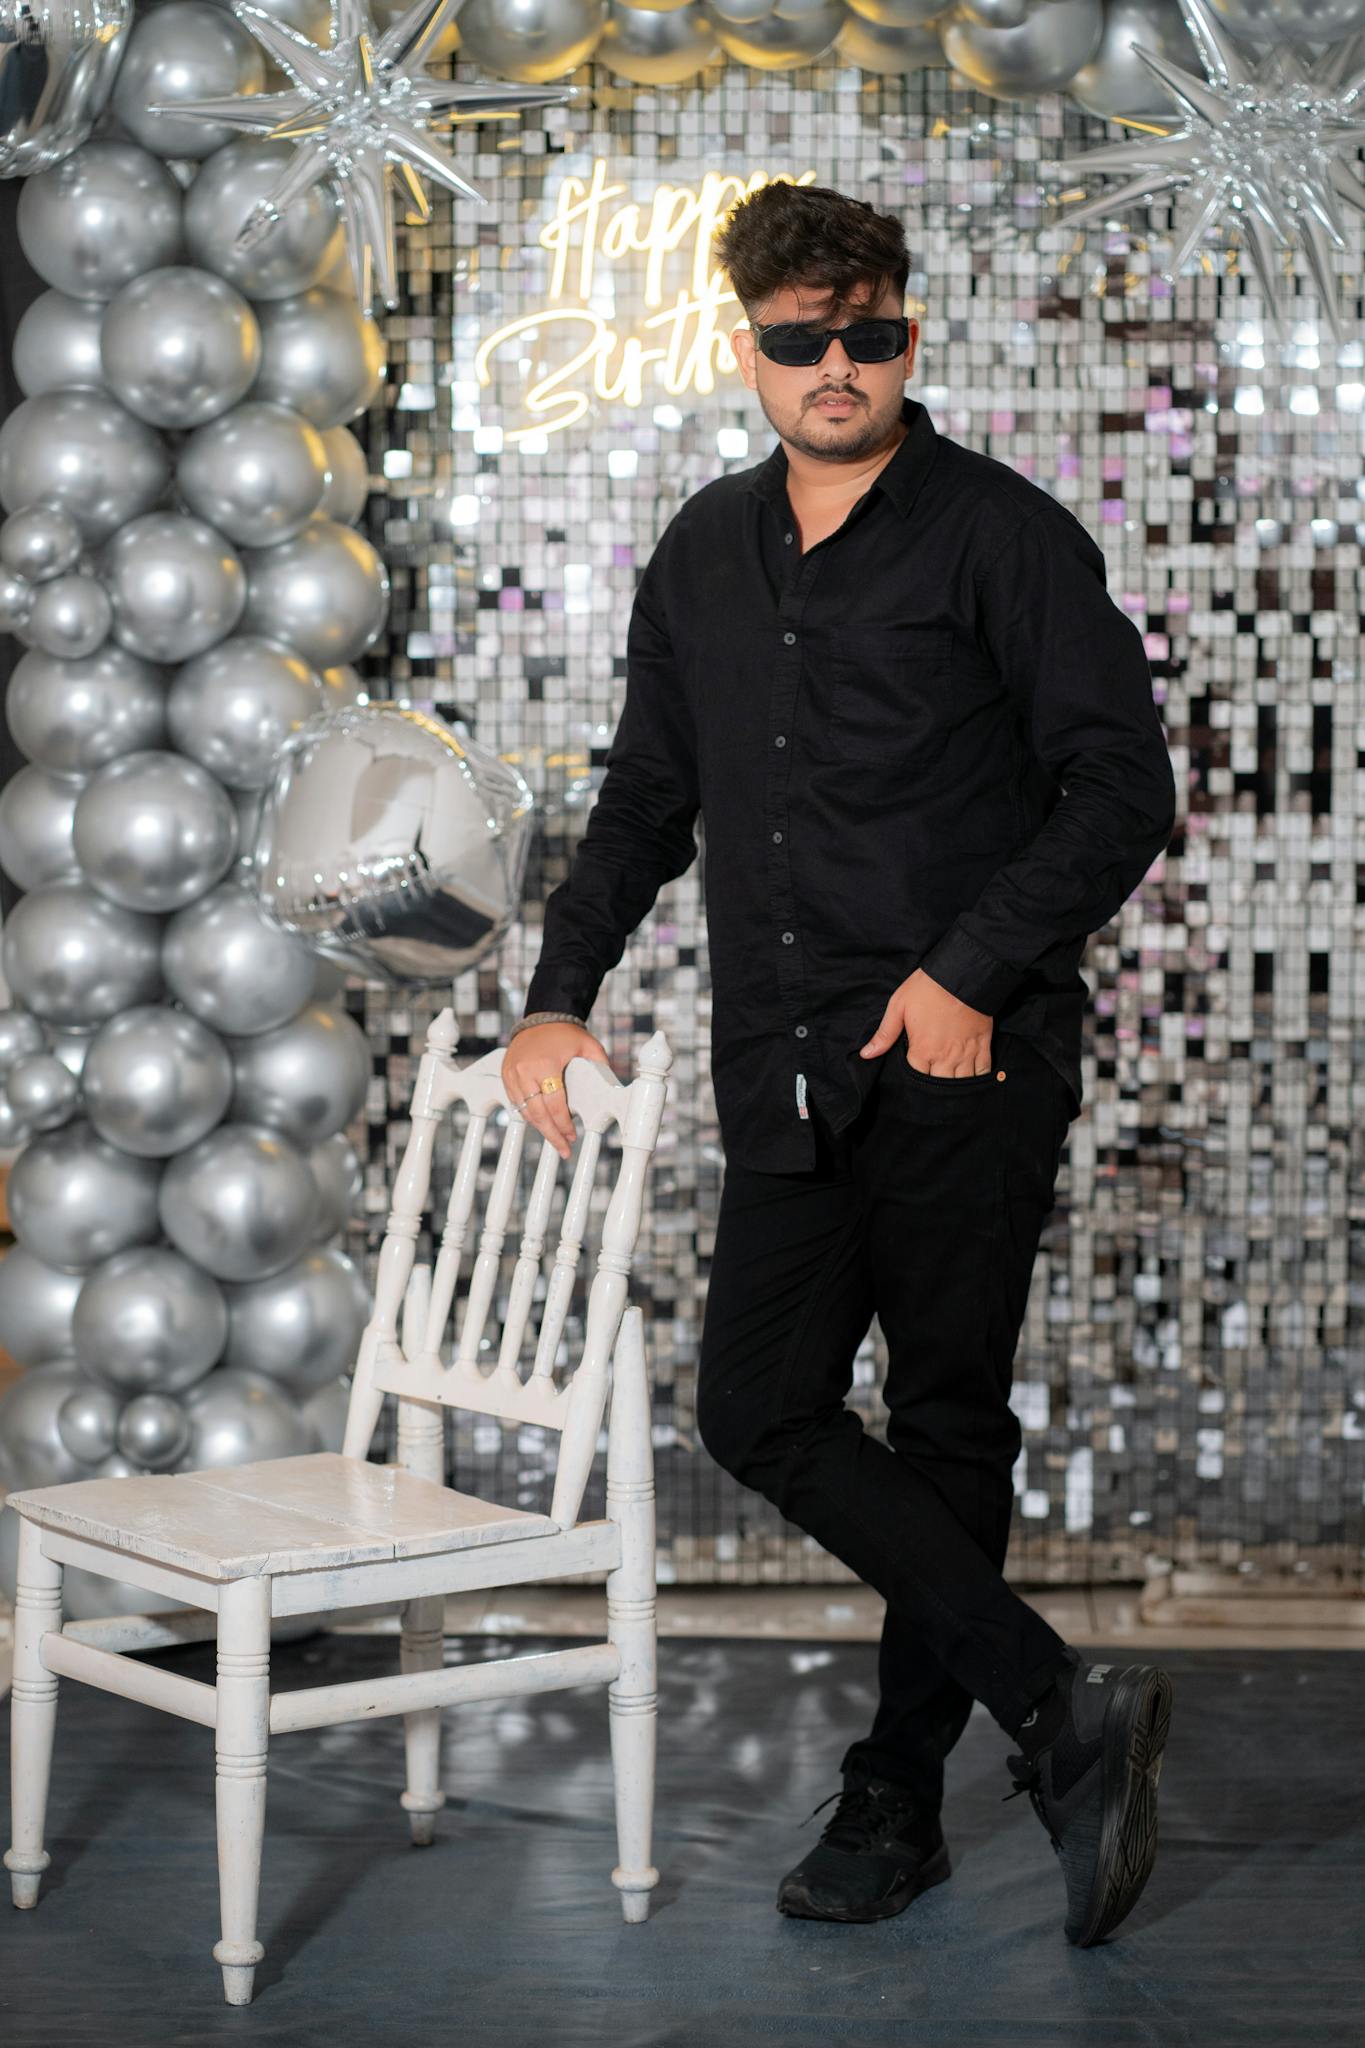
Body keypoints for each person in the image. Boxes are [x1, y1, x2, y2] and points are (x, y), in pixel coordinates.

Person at [501, 181, 1177, 1947]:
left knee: (946, 1421)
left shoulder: (1005, 538)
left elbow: (1123, 787)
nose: (834, 364)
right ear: (749, 349)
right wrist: (557, 991)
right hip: (784, 1061)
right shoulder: (698, 553)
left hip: (969, 1064)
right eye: (799, 337)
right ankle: (1057, 1710)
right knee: (760, 1407)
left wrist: (969, 969)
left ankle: (895, 1795)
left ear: (906, 335)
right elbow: (650, 799)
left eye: (865, 330)